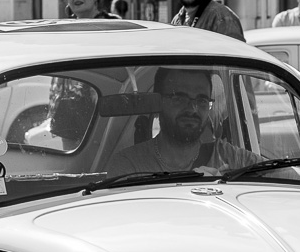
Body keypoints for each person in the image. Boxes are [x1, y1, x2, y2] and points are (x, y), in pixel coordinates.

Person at [107, 67, 258, 175]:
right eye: (179, 98)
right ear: (158, 102)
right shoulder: (129, 165)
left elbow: (279, 175)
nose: (192, 109)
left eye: (202, 100)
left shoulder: (230, 157)